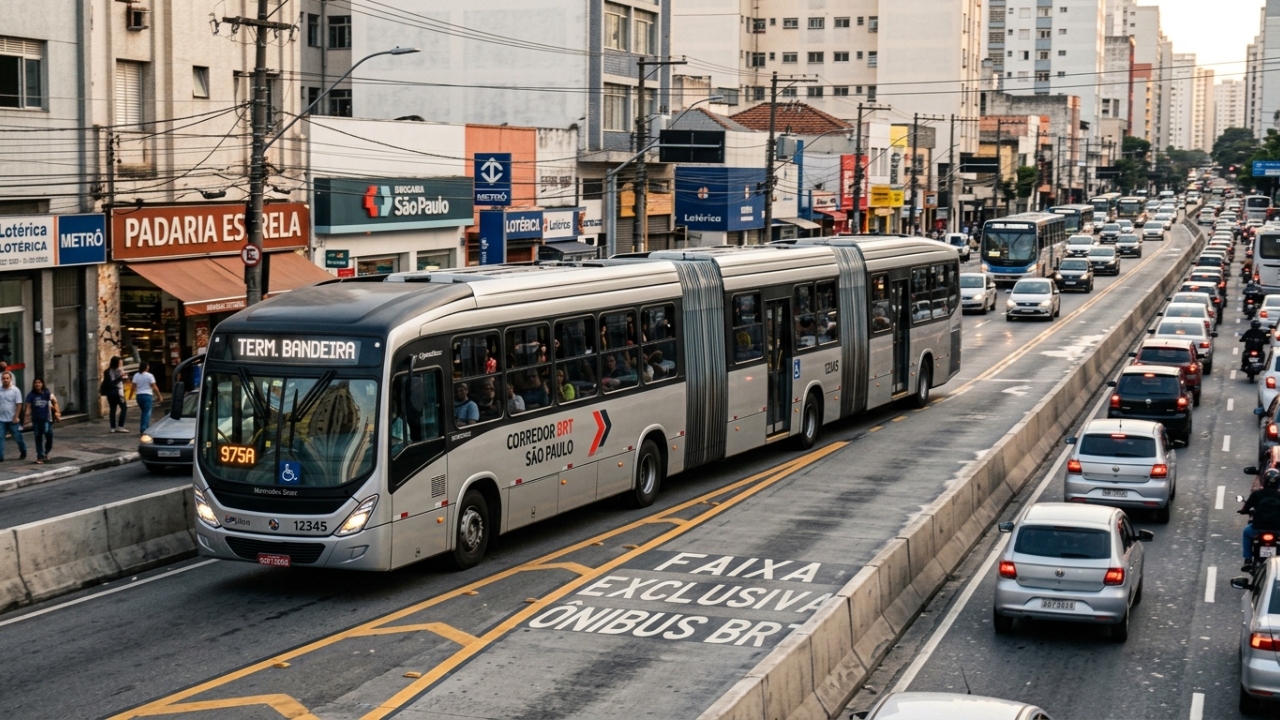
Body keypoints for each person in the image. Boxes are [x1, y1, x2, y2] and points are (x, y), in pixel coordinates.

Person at [1241, 469, 1280, 570]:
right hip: (1278, 529)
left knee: (1246, 532)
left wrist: (1243, 511)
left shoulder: (1257, 494)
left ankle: (1248, 559)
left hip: (1258, 528)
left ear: (1264, 480)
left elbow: (1246, 507)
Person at [25, 378, 57, 464]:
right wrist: (26, 418)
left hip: (47, 419)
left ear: (42, 384)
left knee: (48, 435)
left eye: (39, 382)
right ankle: (40, 456)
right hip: (36, 420)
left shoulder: (47, 393)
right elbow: (28, 407)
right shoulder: (31, 395)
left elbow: (55, 401)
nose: (37, 384)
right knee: (38, 437)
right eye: (35, 383)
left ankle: (46, 452)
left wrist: (57, 412)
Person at [0, 372, 25, 461]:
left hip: (12, 419)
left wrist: (16, 417)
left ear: (10, 379)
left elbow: (19, 404)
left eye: (7, 378)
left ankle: (23, 451)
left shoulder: (15, 390)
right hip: (1, 419)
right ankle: (0, 456)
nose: (5, 380)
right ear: (1, 379)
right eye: (4, 378)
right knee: (0, 437)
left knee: (18, 437)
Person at [132, 361, 161, 434]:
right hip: (147, 395)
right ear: (146, 367)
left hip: (139, 396)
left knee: (144, 412)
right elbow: (154, 387)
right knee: (147, 413)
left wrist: (130, 396)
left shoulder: (136, 375)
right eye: (148, 366)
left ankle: (146, 427)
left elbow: (133, 386)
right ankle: (144, 429)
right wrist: (159, 395)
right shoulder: (150, 376)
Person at [101, 356, 128, 433]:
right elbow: (113, 382)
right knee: (124, 408)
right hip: (118, 392)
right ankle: (120, 426)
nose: (121, 364)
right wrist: (121, 377)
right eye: (120, 362)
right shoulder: (118, 371)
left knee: (112, 409)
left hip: (110, 393)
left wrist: (124, 378)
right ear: (116, 363)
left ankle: (112, 427)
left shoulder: (107, 371)